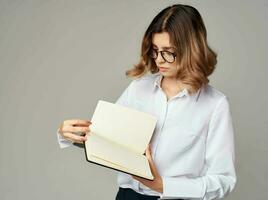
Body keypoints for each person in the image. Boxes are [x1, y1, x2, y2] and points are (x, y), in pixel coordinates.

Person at [57, 3, 236, 200]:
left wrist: (163, 186)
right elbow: (107, 140)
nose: (159, 60)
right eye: (155, 50)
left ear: (191, 50)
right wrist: (70, 134)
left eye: (168, 51)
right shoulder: (138, 89)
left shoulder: (215, 104)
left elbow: (223, 180)